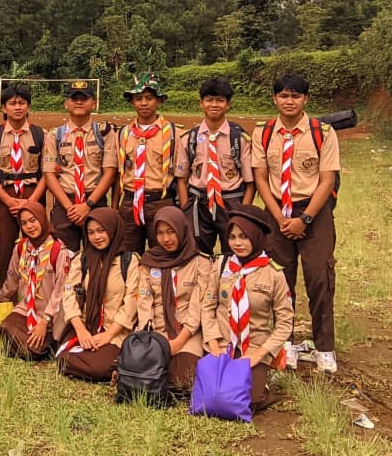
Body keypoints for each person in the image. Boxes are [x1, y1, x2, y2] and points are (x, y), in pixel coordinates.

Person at [251, 73, 341, 373]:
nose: (289, 101)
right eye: (284, 96)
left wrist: (304, 219)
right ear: (274, 99)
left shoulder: (323, 132)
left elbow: (327, 179)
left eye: (296, 96)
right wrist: (278, 217)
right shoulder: (263, 132)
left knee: (319, 279)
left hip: (313, 212)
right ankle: (284, 343)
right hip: (277, 212)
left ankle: (324, 347)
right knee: (279, 281)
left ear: (306, 99)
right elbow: (261, 177)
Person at [202, 204, 293, 411]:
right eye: (232, 237)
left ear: (257, 236)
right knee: (208, 394)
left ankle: (263, 386)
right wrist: (213, 343)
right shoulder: (222, 266)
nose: (237, 243)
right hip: (222, 344)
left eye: (244, 237)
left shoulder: (274, 274)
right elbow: (208, 306)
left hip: (253, 348)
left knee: (248, 400)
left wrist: (260, 354)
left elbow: (285, 323)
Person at [122, 206, 212, 387]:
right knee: (140, 374)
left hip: (186, 333)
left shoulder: (200, 262)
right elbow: (144, 301)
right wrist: (148, 338)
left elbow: (198, 307)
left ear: (182, 229)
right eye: (160, 233)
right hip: (155, 332)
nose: (166, 239)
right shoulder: (149, 261)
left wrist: (179, 341)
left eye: (171, 232)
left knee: (184, 380)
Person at [175, 77, 254, 256]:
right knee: (196, 254)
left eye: (220, 100)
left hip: (231, 202)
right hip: (198, 203)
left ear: (228, 104)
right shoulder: (189, 138)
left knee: (234, 253)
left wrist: (243, 212)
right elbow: (181, 178)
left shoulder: (240, 139)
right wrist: (186, 207)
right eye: (209, 100)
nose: (214, 105)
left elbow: (250, 183)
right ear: (201, 103)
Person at [57, 209, 134, 382]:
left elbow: (131, 303)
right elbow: (68, 293)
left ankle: (112, 367)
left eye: (101, 230)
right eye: (91, 232)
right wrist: (81, 330)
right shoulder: (82, 259)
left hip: (114, 331)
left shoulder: (129, 262)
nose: (96, 237)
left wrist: (108, 335)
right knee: (63, 358)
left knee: (99, 367)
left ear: (113, 229)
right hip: (85, 327)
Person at [0, 83, 47, 282]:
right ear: (3, 107)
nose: (17, 107)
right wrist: (9, 201)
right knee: (5, 249)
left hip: (32, 194)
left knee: (37, 246)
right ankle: (5, 299)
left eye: (22, 103)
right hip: (4, 197)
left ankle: (36, 294)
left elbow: (47, 174)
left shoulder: (41, 134)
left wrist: (31, 202)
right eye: (12, 103)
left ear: (28, 107)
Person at [43, 81, 117, 252]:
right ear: (66, 103)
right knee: (63, 257)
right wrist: (70, 208)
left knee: (99, 256)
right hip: (65, 203)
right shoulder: (55, 135)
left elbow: (110, 172)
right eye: (74, 98)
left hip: (95, 201)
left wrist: (88, 204)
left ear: (94, 103)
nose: (79, 102)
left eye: (84, 98)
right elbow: (49, 174)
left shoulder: (104, 132)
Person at [0, 203, 70, 360]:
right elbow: (12, 278)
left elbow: (60, 291)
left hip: (51, 315)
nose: (29, 226)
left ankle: (41, 344)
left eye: (33, 220)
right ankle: (32, 347)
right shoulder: (21, 248)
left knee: (31, 348)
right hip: (27, 309)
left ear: (42, 219)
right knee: (5, 327)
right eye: (24, 223)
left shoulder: (58, 250)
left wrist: (44, 321)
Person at [116, 72, 179, 254]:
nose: (144, 103)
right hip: (129, 202)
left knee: (163, 253)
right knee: (127, 255)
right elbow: (117, 173)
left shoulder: (173, 133)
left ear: (159, 101)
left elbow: (182, 175)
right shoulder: (123, 133)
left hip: (159, 202)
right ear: (132, 102)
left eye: (149, 98)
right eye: (138, 98)